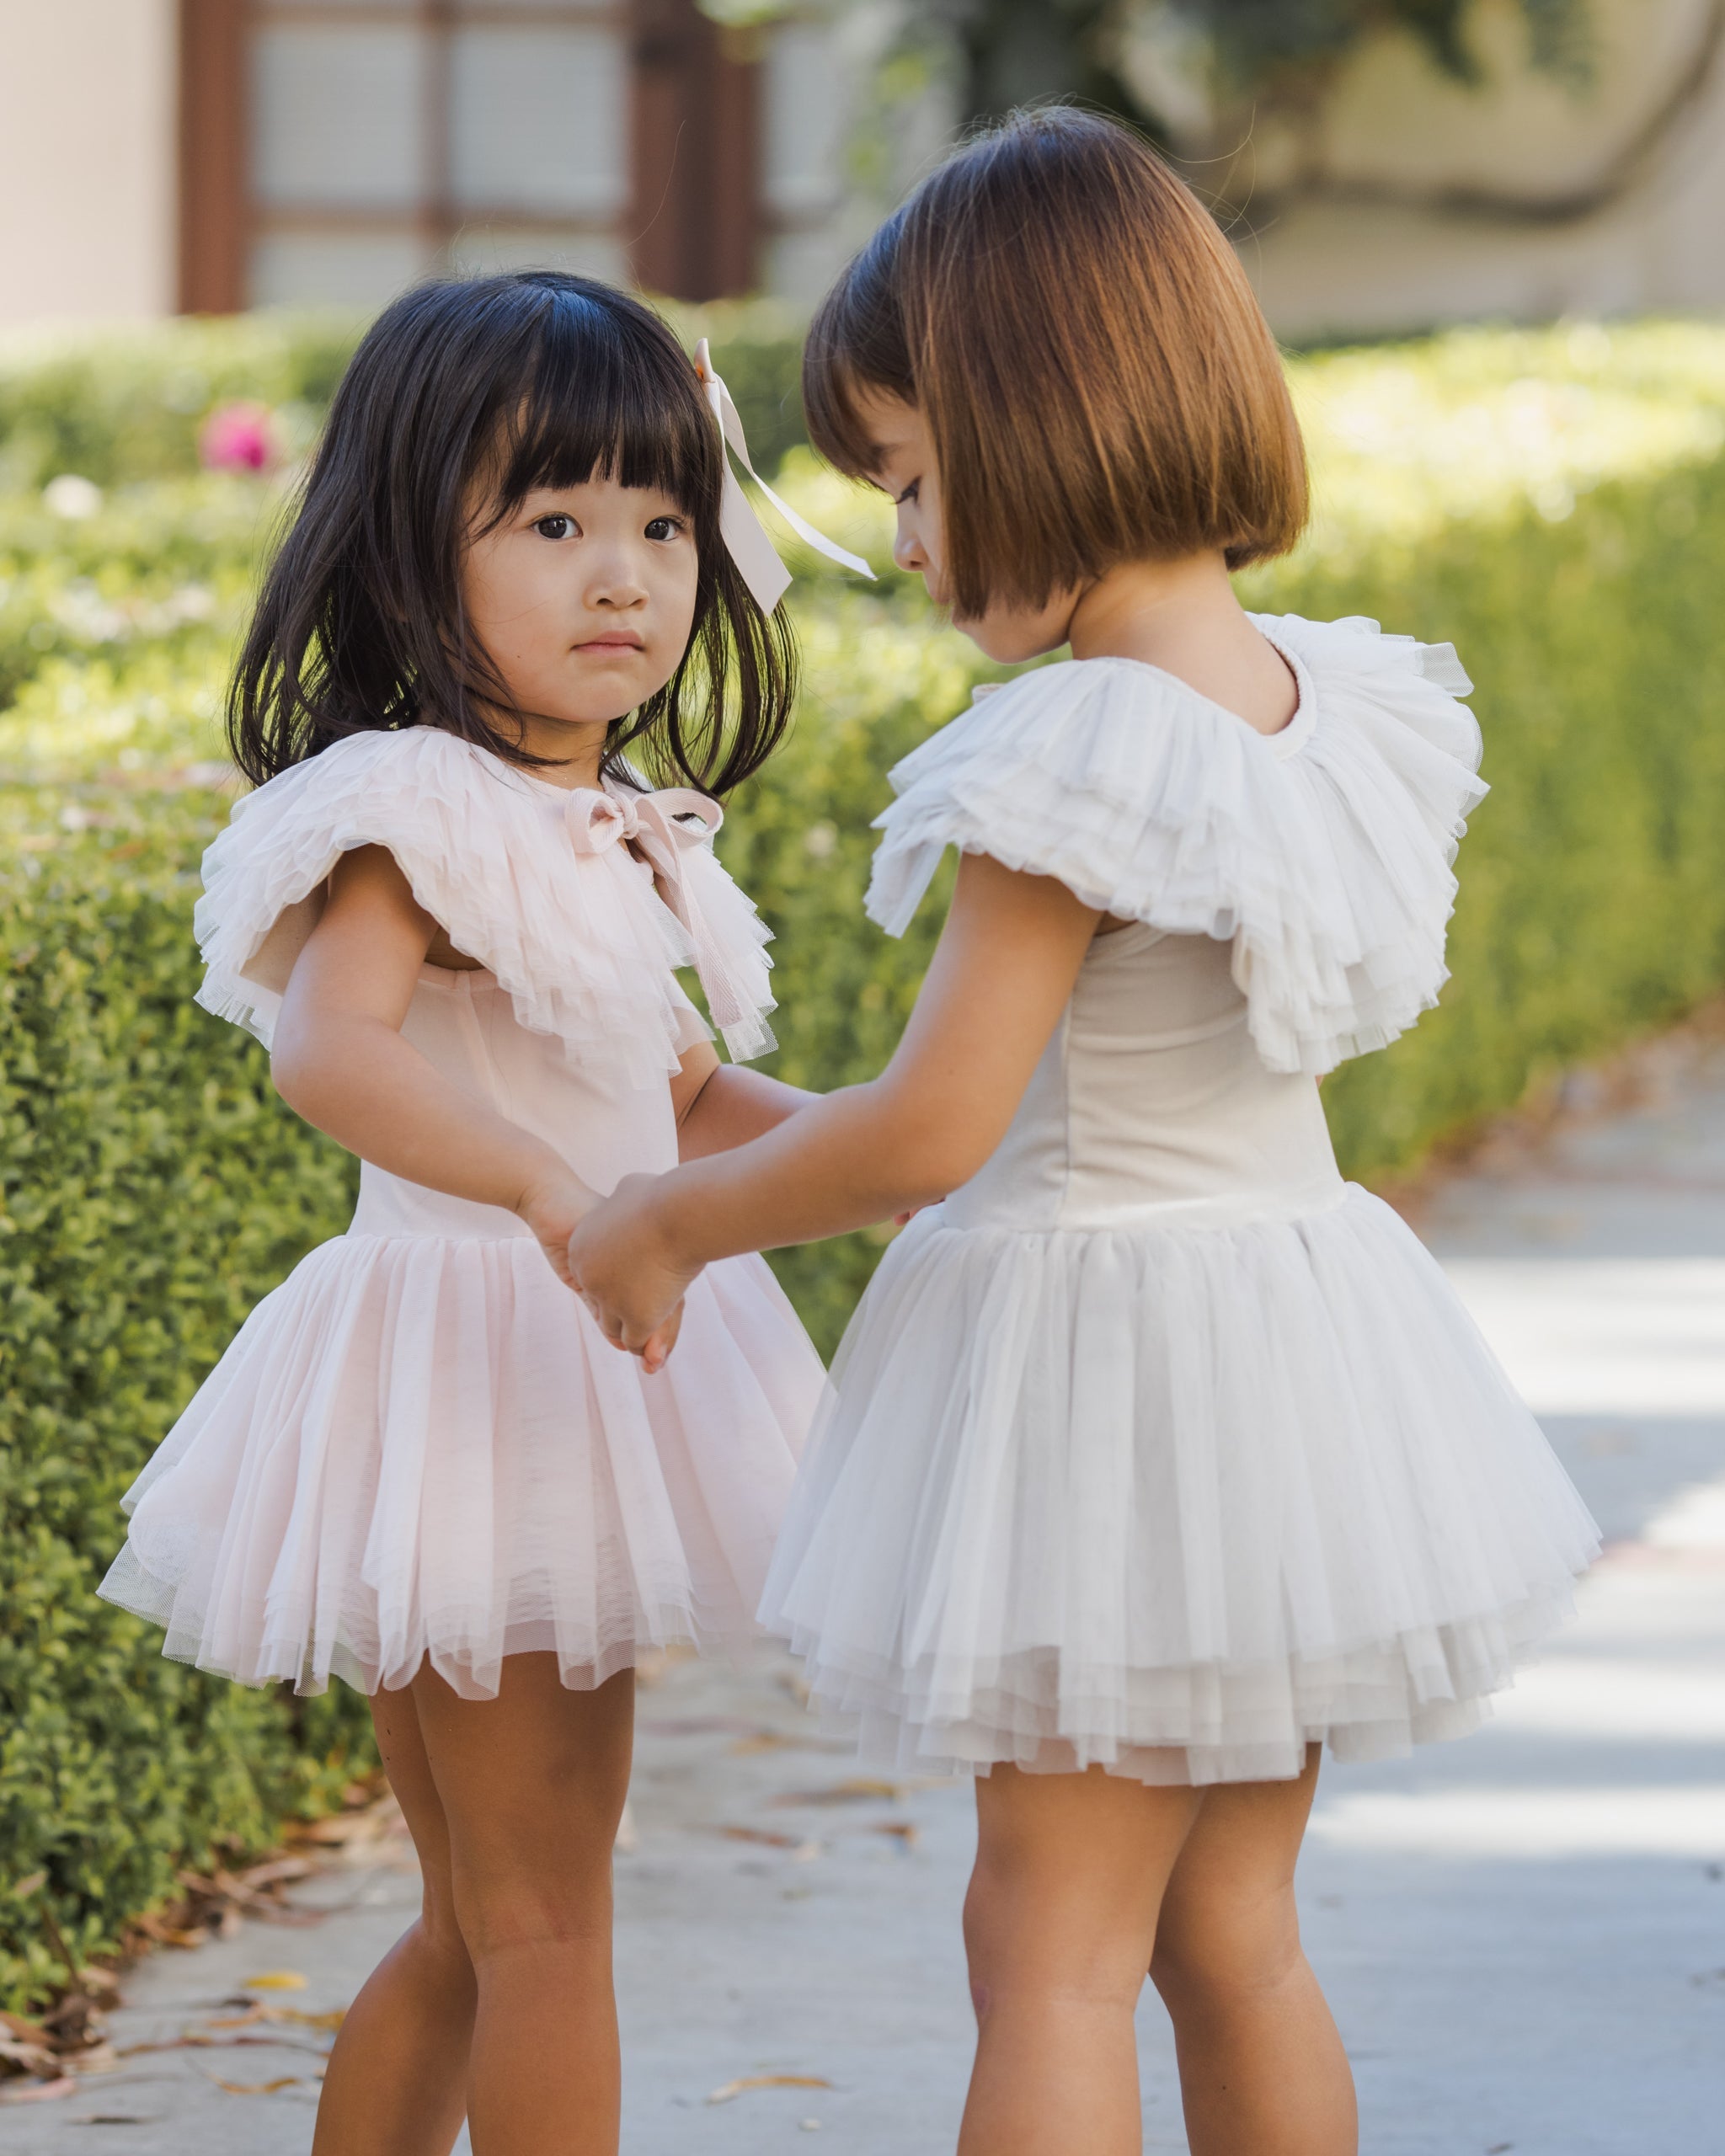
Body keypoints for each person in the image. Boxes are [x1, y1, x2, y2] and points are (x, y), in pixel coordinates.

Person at [567, 113, 1600, 2156]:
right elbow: (1058, 1098)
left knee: (1042, 1939)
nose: (914, 543)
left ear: (1047, 423)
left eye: (919, 479)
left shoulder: (1074, 742)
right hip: (1285, 1367)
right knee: (1234, 1928)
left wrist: (670, 1218)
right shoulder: (1319, 695)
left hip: (1109, 1400)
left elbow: (937, 1135)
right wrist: (726, 1108)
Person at [99, 272, 841, 2156]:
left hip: (553, 1347)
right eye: (556, 520)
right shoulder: (416, 801)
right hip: (484, 1367)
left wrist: (878, 1154)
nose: (626, 576)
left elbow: (667, 1090)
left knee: (479, 1913)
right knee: (542, 1920)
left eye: (665, 524)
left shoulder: (608, 814)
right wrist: (540, 1190)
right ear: (417, 550)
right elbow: (329, 1053)